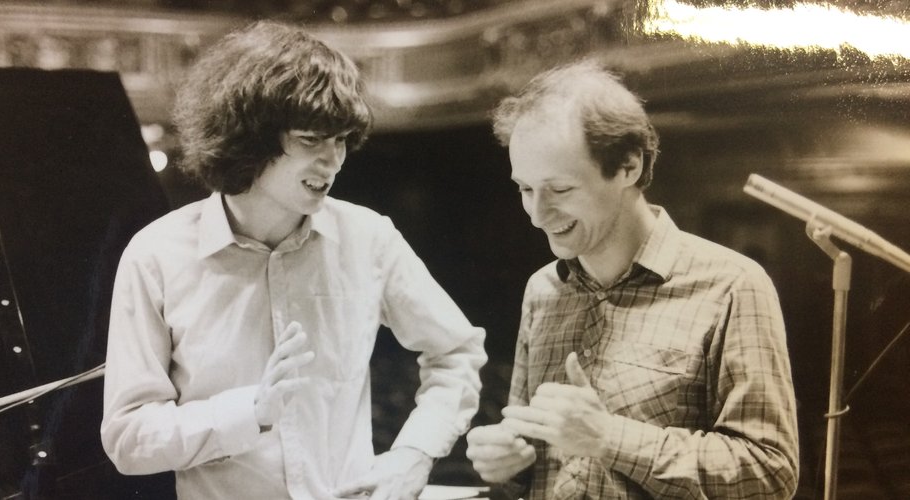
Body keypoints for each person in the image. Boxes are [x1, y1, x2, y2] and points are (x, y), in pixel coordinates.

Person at [100, 21, 486, 500]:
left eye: (341, 139)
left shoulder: (368, 238)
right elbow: (128, 437)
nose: (334, 162)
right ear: (250, 137)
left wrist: (414, 455)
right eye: (310, 139)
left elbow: (457, 352)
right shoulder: (155, 255)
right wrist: (250, 411)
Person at [465, 60, 799, 499]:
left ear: (629, 167)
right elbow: (538, 460)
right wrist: (507, 464)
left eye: (560, 190)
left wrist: (608, 437)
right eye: (526, 189)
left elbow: (770, 473)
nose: (537, 215)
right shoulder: (542, 290)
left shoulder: (734, 285)